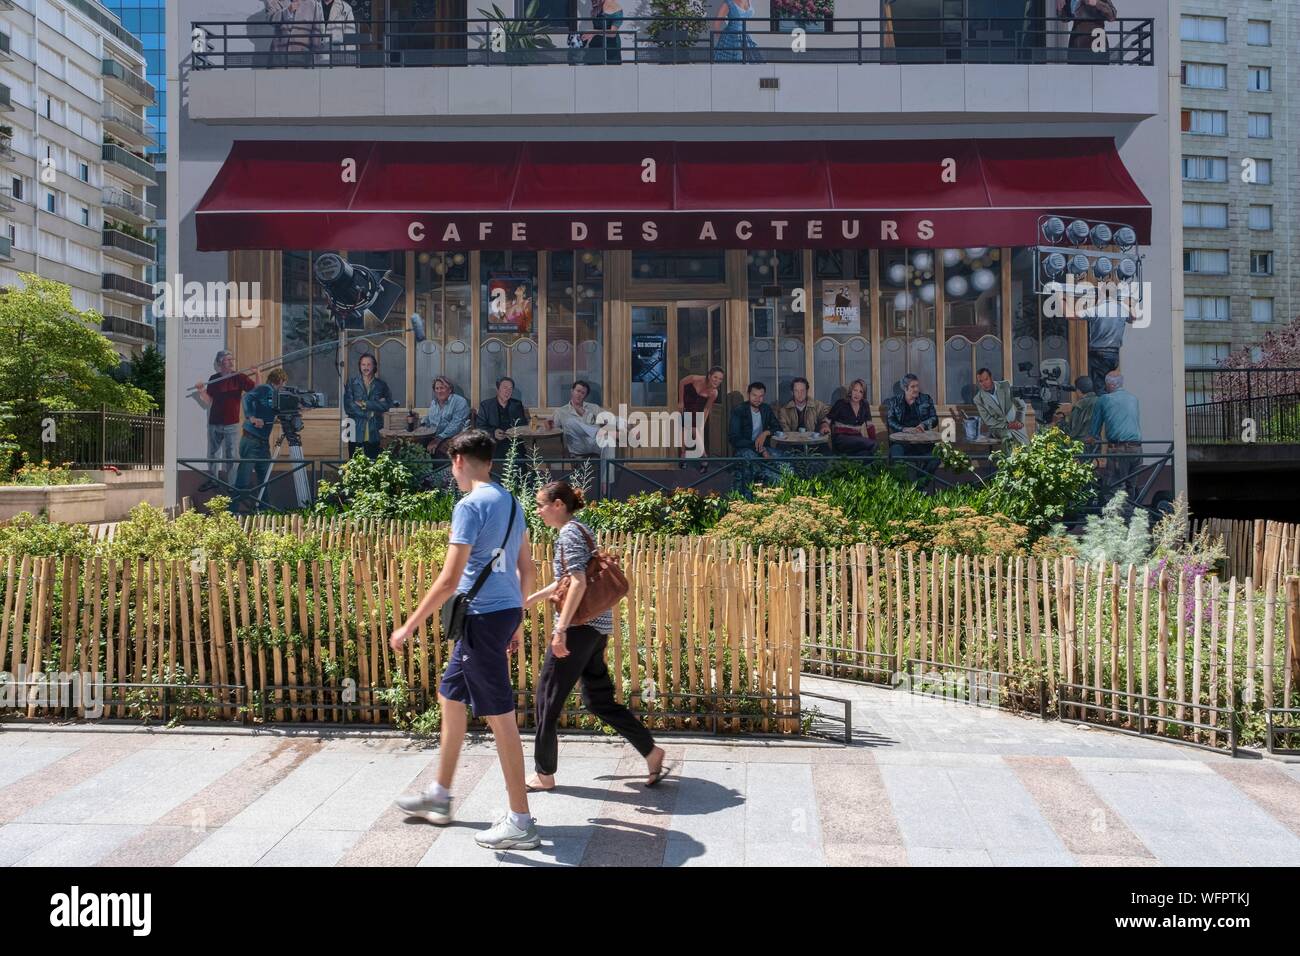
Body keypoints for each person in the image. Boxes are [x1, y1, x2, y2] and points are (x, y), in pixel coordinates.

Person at [390, 429, 539, 850]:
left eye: (451, 466)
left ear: (458, 461)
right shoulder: (511, 502)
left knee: (500, 717)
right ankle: (439, 797)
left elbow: (449, 579)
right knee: (451, 698)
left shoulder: (470, 506)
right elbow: (527, 568)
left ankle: (521, 821)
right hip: (501, 612)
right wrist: (517, 615)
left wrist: (409, 625)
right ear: (489, 461)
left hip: (481, 618)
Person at [523, 481, 670, 792]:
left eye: (541, 505)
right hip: (595, 628)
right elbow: (569, 580)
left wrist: (561, 629)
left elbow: (576, 582)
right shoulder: (580, 528)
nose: (538, 511)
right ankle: (651, 750)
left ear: (559, 505)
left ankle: (544, 773)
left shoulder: (568, 534)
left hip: (578, 630)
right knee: (597, 699)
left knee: (546, 699)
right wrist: (532, 599)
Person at [196, 351, 259, 491]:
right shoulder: (214, 379)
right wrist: (201, 391)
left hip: (231, 424)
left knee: (232, 455)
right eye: (227, 360)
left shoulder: (239, 377)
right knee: (213, 453)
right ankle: (213, 480)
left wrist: (257, 373)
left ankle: (232, 485)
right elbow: (208, 401)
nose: (231, 362)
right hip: (215, 423)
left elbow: (256, 391)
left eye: (232, 359)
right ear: (219, 363)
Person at [233, 368, 287, 510]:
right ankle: (231, 512)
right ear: (280, 381)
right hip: (251, 440)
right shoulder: (264, 388)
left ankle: (264, 510)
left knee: (264, 479)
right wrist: (252, 418)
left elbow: (277, 411)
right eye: (283, 383)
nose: (284, 387)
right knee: (243, 480)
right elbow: (246, 398)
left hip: (262, 443)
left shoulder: (273, 396)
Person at [1091, 371, 1142, 503]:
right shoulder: (1133, 398)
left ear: (1109, 384)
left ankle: (1116, 519)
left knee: (1113, 485)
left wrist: (1092, 437)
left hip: (1119, 448)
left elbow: (1095, 427)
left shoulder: (1104, 399)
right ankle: (1130, 517)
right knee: (1131, 486)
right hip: (1137, 448)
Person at [727, 381, 787, 490]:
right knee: (754, 465)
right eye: (754, 395)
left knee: (785, 461)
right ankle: (748, 496)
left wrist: (765, 433)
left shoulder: (766, 409)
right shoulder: (739, 410)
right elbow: (734, 438)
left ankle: (777, 494)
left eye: (761, 396)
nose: (757, 399)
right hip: (744, 449)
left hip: (765, 448)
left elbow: (778, 428)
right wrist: (759, 448)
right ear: (748, 394)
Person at [554, 381, 619, 480]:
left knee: (609, 442)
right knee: (571, 422)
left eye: (582, 393)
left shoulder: (593, 408)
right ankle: (600, 432)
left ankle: (605, 485)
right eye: (578, 391)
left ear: (585, 395)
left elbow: (611, 418)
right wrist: (548, 425)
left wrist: (626, 425)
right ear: (572, 391)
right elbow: (554, 429)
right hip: (578, 445)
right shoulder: (561, 412)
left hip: (594, 442)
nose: (579, 394)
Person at [885, 373, 940, 482]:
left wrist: (923, 425)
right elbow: (890, 421)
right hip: (902, 442)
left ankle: (919, 484)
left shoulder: (926, 399)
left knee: (936, 457)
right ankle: (904, 487)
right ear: (905, 388)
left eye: (917, 386)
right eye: (913, 387)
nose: (916, 389)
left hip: (923, 443)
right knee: (896, 456)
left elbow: (934, 419)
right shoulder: (894, 402)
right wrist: (904, 429)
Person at [343, 353, 395, 460]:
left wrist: (364, 404)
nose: (365, 367)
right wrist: (371, 411)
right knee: (354, 465)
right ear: (360, 366)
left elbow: (387, 404)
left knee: (374, 464)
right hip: (355, 430)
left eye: (368, 364)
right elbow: (349, 406)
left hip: (375, 431)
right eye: (363, 365)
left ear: (374, 366)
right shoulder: (352, 383)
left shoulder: (381, 385)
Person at [1081, 295, 1135, 389]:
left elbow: (1070, 314)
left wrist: (1061, 297)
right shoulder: (1121, 309)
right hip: (1113, 353)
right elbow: (1133, 318)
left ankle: (1102, 402)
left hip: (1099, 352)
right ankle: (1110, 402)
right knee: (1111, 385)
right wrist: (1131, 303)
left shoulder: (1097, 309)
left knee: (1099, 386)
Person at [973, 367, 1029, 453]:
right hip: (998, 428)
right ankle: (1008, 463)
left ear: (991, 378)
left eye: (986, 379)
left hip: (1016, 423)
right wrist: (1007, 425)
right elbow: (988, 420)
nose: (984, 383)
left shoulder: (1006, 386)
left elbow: (1021, 405)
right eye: (981, 381)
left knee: (1027, 449)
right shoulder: (978, 399)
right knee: (1007, 435)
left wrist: (1019, 422)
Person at [679, 366, 724, 467]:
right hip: (685, 405)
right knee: (686, 429)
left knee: (694, 429)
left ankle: (685, 456)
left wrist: (702, 423)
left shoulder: (714, 393)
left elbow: (707, 408)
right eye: (715, 377)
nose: (717, 381)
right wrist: (681, 401)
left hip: (696, 411)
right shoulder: (695, 378)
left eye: (720, 379)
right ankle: (701, 455)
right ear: (709, 376)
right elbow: (682, 382)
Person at [476, 376, 529, 457]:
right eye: (505, 388)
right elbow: (479, 428)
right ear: (498, 389)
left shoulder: (517, 404)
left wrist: (514, 432)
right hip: (493, 444)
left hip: (513, 443)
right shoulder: (486, 405)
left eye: (510, 389)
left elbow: (523, 424)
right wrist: (493, 433)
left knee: (520, 456)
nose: (508, 391)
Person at [422, 375, 471, 459]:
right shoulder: (434, 403)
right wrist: (421, 424)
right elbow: (428, 420)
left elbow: (456, 425)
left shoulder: (459, 401)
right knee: (414, 445)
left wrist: (438, 439)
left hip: (454, 436)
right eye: (436, 389)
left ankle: (441, 472)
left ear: (450, 389)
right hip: (436, 436)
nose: (439, 391)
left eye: (442, 388)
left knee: (438, 450)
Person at [826, 378, 876, 458]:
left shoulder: (864, 405)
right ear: (850, 391)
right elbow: (827, 420)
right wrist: (825, 427)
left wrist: (873, 441)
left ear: (863, 395)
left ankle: (854, 467)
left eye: (861, 392)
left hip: (857, 439)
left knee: (867, 455)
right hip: (841, 439)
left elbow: (869, 426)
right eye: (855, 390)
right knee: (873, 445)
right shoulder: (841, 403)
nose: (857, 394)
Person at [1056, 375, 1099, 442]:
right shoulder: (1099, 401)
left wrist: (1060, 422)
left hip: (1082, 444)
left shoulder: (1080, 405)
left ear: (1078, 390)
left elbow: (1072, 431)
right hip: (1098, 444)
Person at [583, 0, 624, 65]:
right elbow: (595, 29)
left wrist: (593, 32)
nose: (592, 1)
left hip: (611, 48)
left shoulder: (616, 9)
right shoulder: (596, 8)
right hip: (595, 48)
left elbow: (612, 33)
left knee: (612, 72)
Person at [320, 0, 356, 64]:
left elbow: (350, 36)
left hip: (337, 53)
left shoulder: (346, 8)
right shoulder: (313, 6)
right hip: (318, 54)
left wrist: (350, 61)